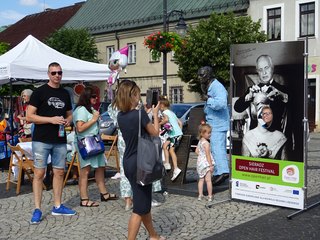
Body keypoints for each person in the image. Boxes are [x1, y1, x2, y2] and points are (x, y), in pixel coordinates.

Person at [26, 62, 76, 224]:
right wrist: (51, 120)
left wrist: (68, 121)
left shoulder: (64, 93)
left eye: (59, 72)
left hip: (60, 140)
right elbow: (29, 116)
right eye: (54, 73)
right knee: (39, 174)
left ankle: (57, 205)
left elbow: (70, 114)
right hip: (41, 140)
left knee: (59, 173)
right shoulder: (39, 92)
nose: (57, 75)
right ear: (48, 74)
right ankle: (37, 209)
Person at [115, 79, 165, 240]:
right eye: (137, 93)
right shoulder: (139, 114)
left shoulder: (120, 116)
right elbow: (155, 132)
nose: (139, 96)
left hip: (129, 162)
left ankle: (153, 235)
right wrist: (155, 114)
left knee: (143, 202)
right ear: (132, 95)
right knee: (140, 208)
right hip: (142, 163)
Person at [73, 86, 118, 207]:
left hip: (95, 142)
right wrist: (93, 120)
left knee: (100, 167)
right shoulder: (81, 110)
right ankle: (84, 198)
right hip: (86, 143)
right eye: (93, 96)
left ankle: (104, 193)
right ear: (87, 97)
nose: (96, 98)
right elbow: (80, 128)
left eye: (96, 96)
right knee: (85, 171)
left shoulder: (91, 109)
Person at [234, 55, 289, 132]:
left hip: (275, 137)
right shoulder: (252, 90)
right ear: (257, 71)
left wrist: (281, 95)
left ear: (272, 68)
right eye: (260, 69)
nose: (264, 72)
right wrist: (248, 96)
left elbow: (293, 107)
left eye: (266, 68)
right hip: (255, 137)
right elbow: (237, 108)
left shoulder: (282, 90)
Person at [198, 66, 230, 186]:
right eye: (199, 75)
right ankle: (218, 172)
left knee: (218, 148)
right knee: (214, 149)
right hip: (214, 123)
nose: (199, 77)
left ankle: (223, 172)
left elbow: (222, 104)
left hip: (218, 123)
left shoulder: (217, 87)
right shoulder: (210, 86)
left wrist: (208, 99)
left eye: (202, 75)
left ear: (209, 75)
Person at [159, 97, 183, 181]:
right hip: (175, 134)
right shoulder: (171, 112)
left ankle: (176, 168)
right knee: (165, 146)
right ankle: (167, 163)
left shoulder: (164, 112)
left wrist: (158, 123)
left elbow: (166, 120)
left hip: (174, 135)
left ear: (161, 105)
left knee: (171, 150)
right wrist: (179, 131)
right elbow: (180, 123)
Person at [195, 123, 214, 202]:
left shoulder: (200, 141)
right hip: (206, 163)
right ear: (202, 133)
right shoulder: (206, 143)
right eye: (208, 133)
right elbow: (208, 155)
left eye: (210, 132)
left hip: (200, 163)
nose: (210, 134)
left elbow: (196, 151)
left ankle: (200, 195)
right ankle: (210, 196)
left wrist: (201, 156)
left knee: (201, 179)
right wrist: (211, 165)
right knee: (208, 180)